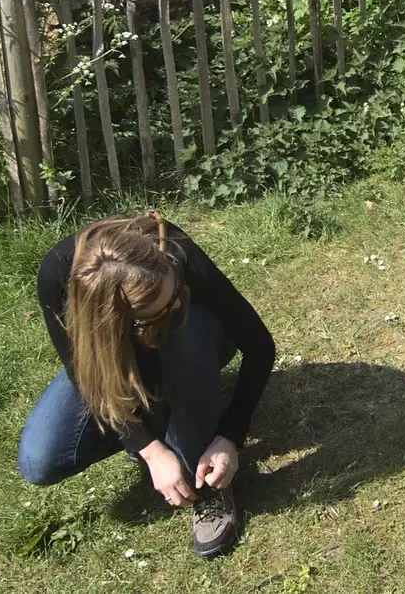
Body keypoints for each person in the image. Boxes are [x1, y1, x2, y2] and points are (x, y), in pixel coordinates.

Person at [17, 211, 276, 558]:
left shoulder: (173, 249)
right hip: (115, 359)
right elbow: (85, 377)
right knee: (40, 461)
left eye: (175, 288)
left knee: (186, 325)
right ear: (118, 321)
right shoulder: (58, 277)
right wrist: (148, 448)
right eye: (163, 305)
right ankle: (156, 413)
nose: (179, 298)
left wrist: (229, 435)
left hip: (201, 341)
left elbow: (260, 345)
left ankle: (208, 482)